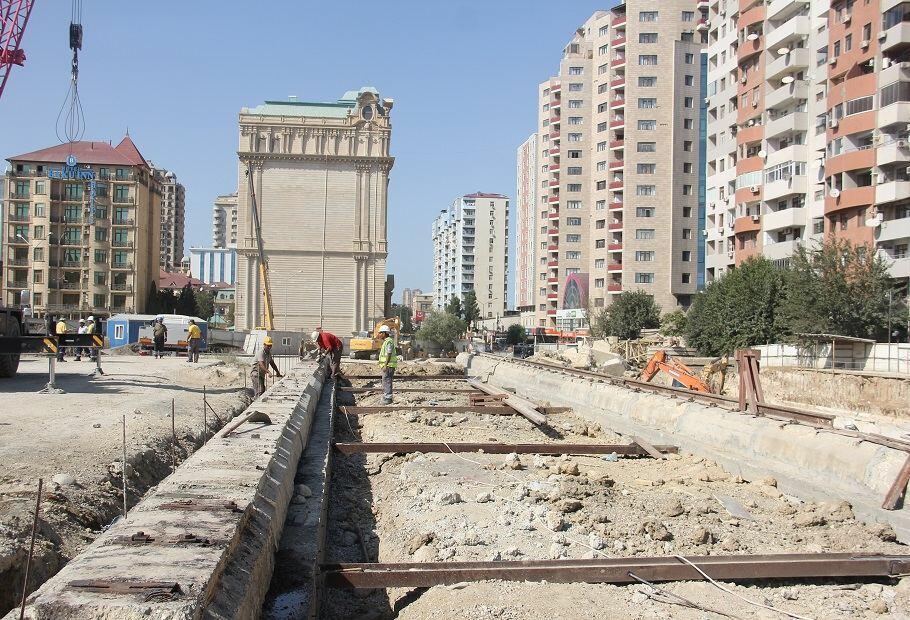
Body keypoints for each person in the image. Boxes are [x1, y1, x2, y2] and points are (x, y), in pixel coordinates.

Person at [377, 324, 397, 404]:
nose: (379, 335)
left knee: (387, 381)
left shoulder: (388, 342)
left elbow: (389, 353)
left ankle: (388, 398)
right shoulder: (386, 341)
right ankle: (387, 397)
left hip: (389, 366)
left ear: (384, 333)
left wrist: (385, 365)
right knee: (385, 381)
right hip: (388, 365)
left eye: (380, 333)